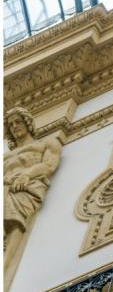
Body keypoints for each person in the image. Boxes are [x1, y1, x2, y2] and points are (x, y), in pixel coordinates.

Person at [4, 107, 61, 256]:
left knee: (14, 221)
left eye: (18, 122)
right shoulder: (4, 156)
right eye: (10, 124)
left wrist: (27, 175)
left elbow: (49, 165)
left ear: (27, 123)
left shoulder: (46, 144)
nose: (14, 126)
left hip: (25, 188)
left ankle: (6, 264)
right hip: (5, 186)